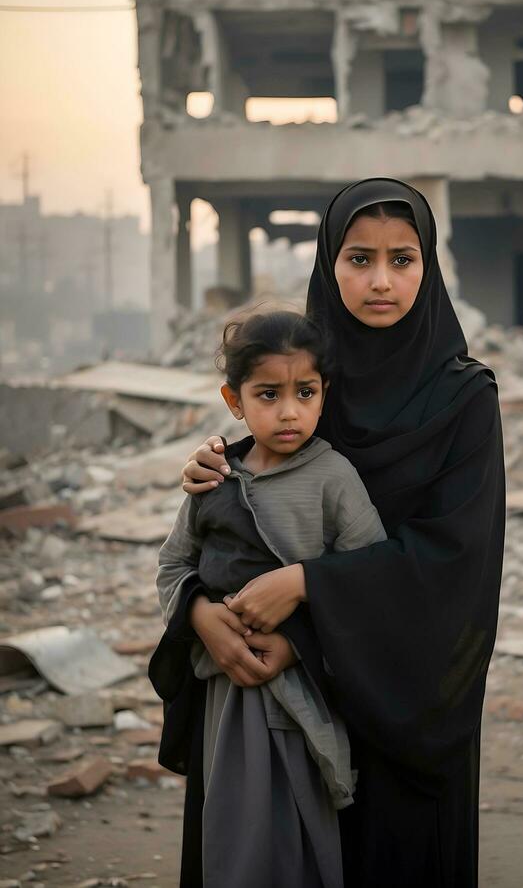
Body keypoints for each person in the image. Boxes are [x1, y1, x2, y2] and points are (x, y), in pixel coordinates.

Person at [177, 178, 506, 887]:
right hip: (272, 698)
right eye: (358, 259)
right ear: (328, 264)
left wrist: (307, 591)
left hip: (402, 702)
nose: (380, 281)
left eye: (402, 258)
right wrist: (200, 613)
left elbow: (455, 563)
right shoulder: (302, 383)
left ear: (430, 265)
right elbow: (226, 535)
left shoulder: (462, 402)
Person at [151, 309, 386, 887]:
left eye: (305, 392)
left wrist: (297, 641)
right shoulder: (215, 478)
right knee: (228, 836)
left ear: (324, 393)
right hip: (221, 698)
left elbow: (371, 578)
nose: (288, 411)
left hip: (300, 699)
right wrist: (200, 616)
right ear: (234, 401)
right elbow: (173, 564)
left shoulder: (334, 478)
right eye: (267, 394)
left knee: (293, 840)